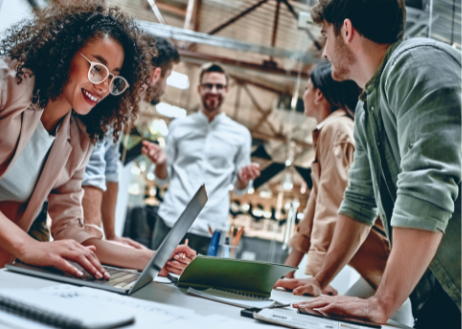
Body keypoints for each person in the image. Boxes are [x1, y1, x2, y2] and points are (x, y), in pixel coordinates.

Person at [0, 1, 194, 279]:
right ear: (64, 52)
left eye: (114, 78)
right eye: (97, 68)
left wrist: (154, 258)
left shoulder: (79, 138)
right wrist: (28, 246)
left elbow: (71, 229)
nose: (103, 86)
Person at [282, 1, 461, 328]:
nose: (324, 53)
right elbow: (359, 200)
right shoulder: (368, 107)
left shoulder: (418, 63)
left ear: (346, 30)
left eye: (326, 36)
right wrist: (320, 279)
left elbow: (427, 187)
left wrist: (383, 302)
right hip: (440, 287)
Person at [275, 63, 390, 296]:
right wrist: (287, 270)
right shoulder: (333, 129)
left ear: (319, 94)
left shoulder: (336, 129)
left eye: (307, 88)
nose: (304, 94)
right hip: (371, 264)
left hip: (381, 263)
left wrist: (318, 278)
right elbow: (314, 208)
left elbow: (333, 205)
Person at [142, 63, 261, 255]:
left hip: (212, 227)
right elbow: (162, 178)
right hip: (172, 220)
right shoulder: (179, 127)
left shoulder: (241, 135)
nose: (213, 91)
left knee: (202, 284)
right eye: (208, 85)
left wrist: (243, 179)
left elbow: (240, 189)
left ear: (227, 90)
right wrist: (162, 163)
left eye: (219, 86)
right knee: (156, 279)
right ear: (199, 88)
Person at [81, 36, 180, 246]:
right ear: (156, 74)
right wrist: (93, 240)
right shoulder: (111, 97)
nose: (164, 86)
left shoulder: (123, 107)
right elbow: (94, 166)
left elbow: (110, 167)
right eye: (167, 77)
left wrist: (111, 235)